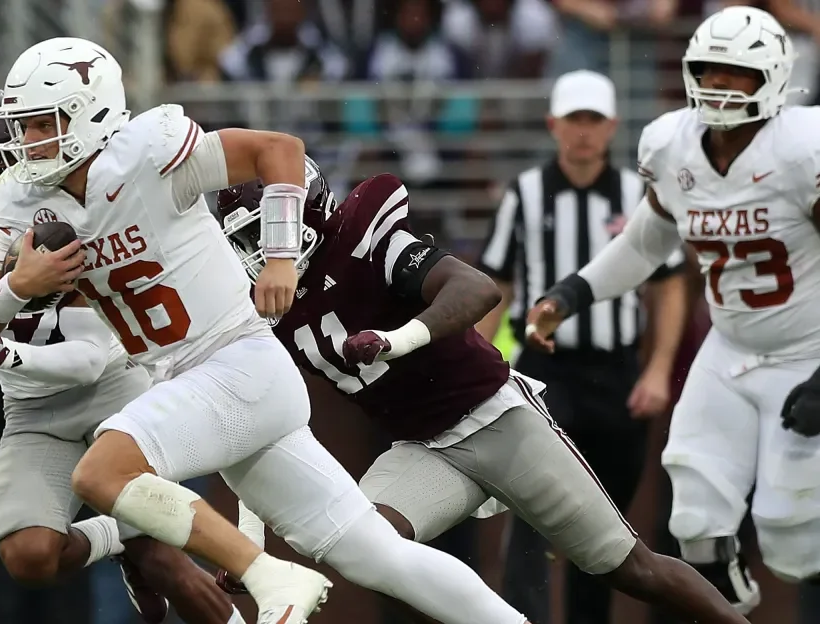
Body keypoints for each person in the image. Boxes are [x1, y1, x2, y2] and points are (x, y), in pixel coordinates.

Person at [0, 36, 532, 624]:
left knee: (102, 472)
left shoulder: (147, 153)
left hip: (234, 363)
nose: (26, 142)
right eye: (22, 126)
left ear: (91, 111)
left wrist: (281, 255)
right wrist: (19, 287)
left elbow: (278, 150)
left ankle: (271, 577)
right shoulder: (27, 202)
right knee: (379, 557)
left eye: (40, 124)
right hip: (201, 385)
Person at [210, 157, 751, 624]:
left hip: (496, 418)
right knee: (370, 554)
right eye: (247, 239)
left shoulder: (365, 239)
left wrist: (397, 341)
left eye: (265, 232)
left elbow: (477, 289)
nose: (259, 251)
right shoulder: (269, 308)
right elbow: (264, 418)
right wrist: (248, 545)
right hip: (422, 447)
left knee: (632, 568)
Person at [0, 88, 240, 624]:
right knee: (29, 555)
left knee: (163, 560)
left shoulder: (68, 208)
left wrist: (2, 353)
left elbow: (89, 359)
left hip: (116, 389)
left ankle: (143, 551)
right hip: (33, 409)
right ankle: (117, 539)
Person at [525, 6, 820, 616]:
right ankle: (727, 606)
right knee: (693, 516)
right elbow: (643, 245)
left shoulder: (801, 151)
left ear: (770, 77)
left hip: (806, 348)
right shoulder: (672, 144)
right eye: (708, 70)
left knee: (792, 534)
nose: (718, 84)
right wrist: (569, 295)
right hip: (730, 347)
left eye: (735, 73)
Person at [473, 69, 691, 623]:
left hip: (617, 373)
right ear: (553, 125)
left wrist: (658, 370)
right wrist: (479, 365)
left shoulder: (635, 196)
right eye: (575, 120)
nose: (584, 132)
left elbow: (668, 287)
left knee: (608, 529)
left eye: (594, 120)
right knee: (531, 513)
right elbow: (495, 287)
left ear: (613, 126)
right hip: (545, 375)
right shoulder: (523, 194)